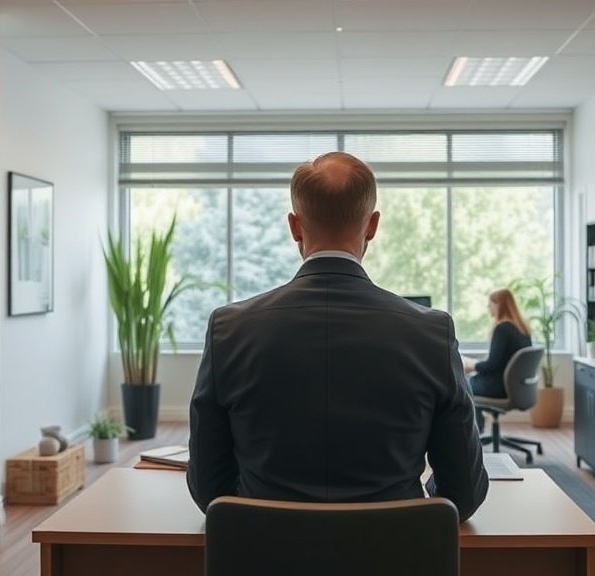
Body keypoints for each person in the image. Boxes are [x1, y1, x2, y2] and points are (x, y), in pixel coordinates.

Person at [187, 151, 488, 521]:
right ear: (372, 225)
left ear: (295, 226)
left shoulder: (229, 329)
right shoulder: (431, 333)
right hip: (398, 552)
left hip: (264, 555)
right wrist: (415, 512)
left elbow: (208, 489)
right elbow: (464, 493)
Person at [462, 288, 533, 429]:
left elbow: (493, 364)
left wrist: (472, 366)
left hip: (499, 386)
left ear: (498, 305)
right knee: (467, 382)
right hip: (516, 387)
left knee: (461, 386)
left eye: (491, 305)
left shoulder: (503, 329)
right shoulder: (522, 329)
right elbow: (501, 362)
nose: (489, 310)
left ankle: (474, 434)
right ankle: (477, 430)